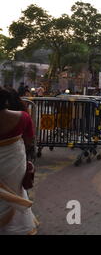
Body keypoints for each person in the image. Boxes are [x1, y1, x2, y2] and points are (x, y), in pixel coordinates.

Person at [0, 87, 38, 235]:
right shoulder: (23, 117)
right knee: (15, 192)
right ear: (6, 101)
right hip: (14, 164)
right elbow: (29, 141)